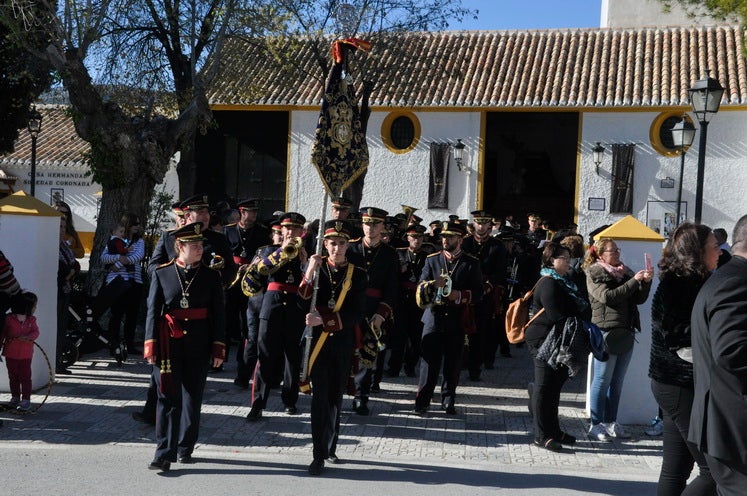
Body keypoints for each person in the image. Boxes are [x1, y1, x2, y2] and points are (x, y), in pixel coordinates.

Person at [144, 222, 226, 472]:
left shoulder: (211, 275)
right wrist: (150, 344)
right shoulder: (162, 272)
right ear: (179, 246)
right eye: (195, 245)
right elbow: (152, 310)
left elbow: (219, 314)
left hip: (199, 343)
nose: (200, 249)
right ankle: (163, 453)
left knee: (192, 398)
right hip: (168, 344)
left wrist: (218, 347)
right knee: (167, 397)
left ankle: (185, 446)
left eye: (201, 245)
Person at [649, 223, 719, 496]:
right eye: (714, 246)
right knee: (713, 471)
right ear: (697, 251)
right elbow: (675, 335)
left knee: (676, 468)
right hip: (678, 383)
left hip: (673, 382)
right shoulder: (678, 284)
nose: (719, 252)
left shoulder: (694, 280)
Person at [299, 220, 366, 476]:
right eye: (332, 243)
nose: (336, 248)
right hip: (317, 344)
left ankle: (330, 445)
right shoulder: (316, 270)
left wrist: (324, 320)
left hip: (340, 343)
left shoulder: (358, 274)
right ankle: (318, 454)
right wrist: (309, 270)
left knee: (334, 399)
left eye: (341, 243)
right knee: (319, 399)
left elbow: (356, 313)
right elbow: (301, 301)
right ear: (324, 244)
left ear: (348, 245)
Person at [689, 215, 747, 496]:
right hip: (733, 425)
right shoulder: (736, 283)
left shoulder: (729, 277)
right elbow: (732, 352)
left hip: (726, 424)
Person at [583, 237, 652, 441]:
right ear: (601, 254)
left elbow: (638, 299)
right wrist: (634, 281)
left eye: (618, 250)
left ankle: (611, 422)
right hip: (605, 331)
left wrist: (646, 283)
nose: (617, 254)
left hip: (626, 331)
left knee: (617, 382)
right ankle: (595, 424)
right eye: (613, 251)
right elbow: (608, 297)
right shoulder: (594, 273)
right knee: (602, 380)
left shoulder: (625, 271)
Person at [525, 242, 590, 452]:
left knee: (554, 387)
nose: (568, 260)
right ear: (551, 260)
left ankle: (554, 431)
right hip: (543, 340)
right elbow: (556, 316)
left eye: (569, 257)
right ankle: (541, 435)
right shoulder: (548, 283)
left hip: (561, 341)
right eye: (563, 257)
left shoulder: (566, 282)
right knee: (544, 388)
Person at [413, 221, 482, 416]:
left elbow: (478, 293)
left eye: (450, 237)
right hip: (433, 317)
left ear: (460, 239)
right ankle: (422, 401)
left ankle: (448, 400)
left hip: (456, 318)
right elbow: (421, 284)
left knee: (453, 363)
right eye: (443, 237)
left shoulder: (471, 262)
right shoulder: (432, 259)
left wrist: (459, 295)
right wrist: (433, 284)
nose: (445, 240)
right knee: (428, 363)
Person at [245, 212, 308, 420]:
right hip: (271, 305)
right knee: (265, 354)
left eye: (295, 229)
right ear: (281, 230)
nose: (290, 232)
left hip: (295, 307)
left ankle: (290, 400)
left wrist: (306, 262)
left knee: (292, 355)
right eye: (287, 229)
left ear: (302, 232)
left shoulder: (305, 253)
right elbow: (262, 271)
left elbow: (310, 282)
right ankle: (258, 403)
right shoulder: (268, 250)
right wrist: (283, 251)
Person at [347, 207, 399, 415]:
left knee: (367, 354)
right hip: (349, 307)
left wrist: (381, 313)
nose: (371, 228)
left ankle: (361, 397)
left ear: (382, 227)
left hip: (373, 310)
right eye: (367, 223)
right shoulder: (350, 249)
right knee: (344, 351)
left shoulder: (389, 254)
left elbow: (393, 288)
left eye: (375, 224)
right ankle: (340, 391)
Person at [461, 210, 509, 377]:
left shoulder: (497, 246)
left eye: (484, 223)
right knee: (461, 328)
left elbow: (500, 271)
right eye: (478, 223)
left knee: (482, 330)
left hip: (485, 293)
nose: (481, 227)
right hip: (464, 291)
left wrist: (488, 286)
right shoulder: (465, 243)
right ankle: (461, 362)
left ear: (490, 225)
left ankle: (476, 367)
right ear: (474, 224)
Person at [97, 213, 145, 353]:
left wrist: (120, 263)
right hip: (118, 282)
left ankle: (129, 344)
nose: (137, 226)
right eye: (134, 223)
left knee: (132, 314)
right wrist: (119, 257)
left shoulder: (139, 241)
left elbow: (138, 256)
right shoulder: (115, 240)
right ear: (127, 224)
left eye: (138, 224)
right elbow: (104, 258)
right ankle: (114, 343)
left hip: (134, 281)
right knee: (116, 313)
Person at [388, 224, 429, 378]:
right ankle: (394, 367)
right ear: (408, 238)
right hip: (401, 300)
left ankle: (410, 365)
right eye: (413, 237)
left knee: (417, 337)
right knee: (398, 336)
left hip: (419, 302)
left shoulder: (427, 256)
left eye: (419, 237)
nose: (416, 240)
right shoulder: (399, 254)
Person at [2, 291, 39, 411]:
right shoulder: (9, 319)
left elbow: (36, 332)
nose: (35, 308)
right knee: (13, 377)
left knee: (25, 377)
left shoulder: (31, 320)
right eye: (34, 305)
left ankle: (26, 400)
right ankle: (15, 397)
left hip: (25, 355)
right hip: (10, 353)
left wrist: (29, 337)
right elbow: (3, 333)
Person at [57, 214, 80, 375]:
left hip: (65, 291)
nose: (61, 230)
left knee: (61, 328)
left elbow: (76, 265)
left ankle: (58, 360)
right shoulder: (49, 245)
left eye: (63, 227)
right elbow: (61, 270)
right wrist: (69, 271)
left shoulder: (64, 246)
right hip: (56, 292)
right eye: (58, 226)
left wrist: (70, 271)